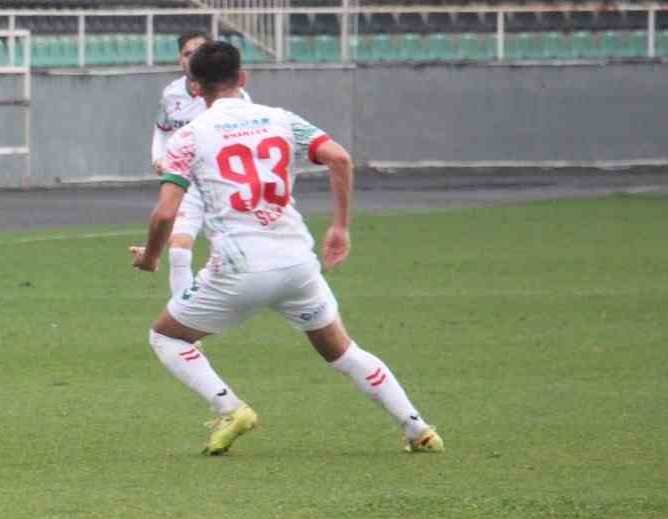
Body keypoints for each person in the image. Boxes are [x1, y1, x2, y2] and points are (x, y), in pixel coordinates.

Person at [128, 40, 442, 455]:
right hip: (297, 263)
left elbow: (165, 214)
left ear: (196, 87)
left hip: (238, 268)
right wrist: (340, 227)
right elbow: (339, 158)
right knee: (343, 351)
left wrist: (151, 257)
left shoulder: (188, 138)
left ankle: (230, 408)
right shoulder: (281, 119)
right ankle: (418, 428)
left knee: (166, 337)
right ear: (243, 78)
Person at [150, 30, 253, 301]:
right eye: (187, 53)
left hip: (224, 181)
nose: (193, 58)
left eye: (199, 52)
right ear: (179, 59)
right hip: (189, 183)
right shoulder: (171, 94)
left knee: (235, 252)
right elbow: (162, 129)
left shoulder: (236, 97)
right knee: (178, 249)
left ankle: (239, 298)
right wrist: (159, 156)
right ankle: (183, 313)